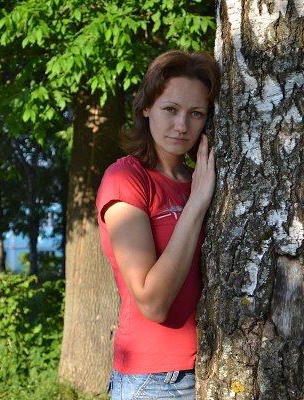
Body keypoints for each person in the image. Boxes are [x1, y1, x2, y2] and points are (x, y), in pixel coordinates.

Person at [96, 50, 221, 399]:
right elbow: (152, 302)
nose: (182, 125)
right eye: (170, 109)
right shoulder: (125, 179)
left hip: (211, 366)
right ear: (146, 108)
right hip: (155, 380)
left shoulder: (202, 180)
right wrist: (196, 204)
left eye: (196, 114)